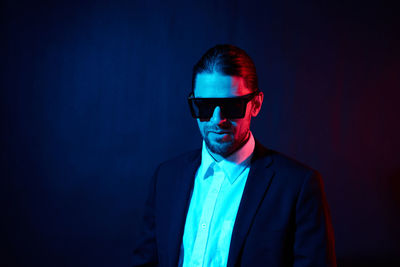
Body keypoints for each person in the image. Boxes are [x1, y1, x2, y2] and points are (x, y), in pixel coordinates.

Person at [132, 44, 336, 267]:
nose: (217, 119)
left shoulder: (297, 187)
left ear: (256, 104)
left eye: (232, 106)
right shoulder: (166, 178)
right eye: (204, 106)